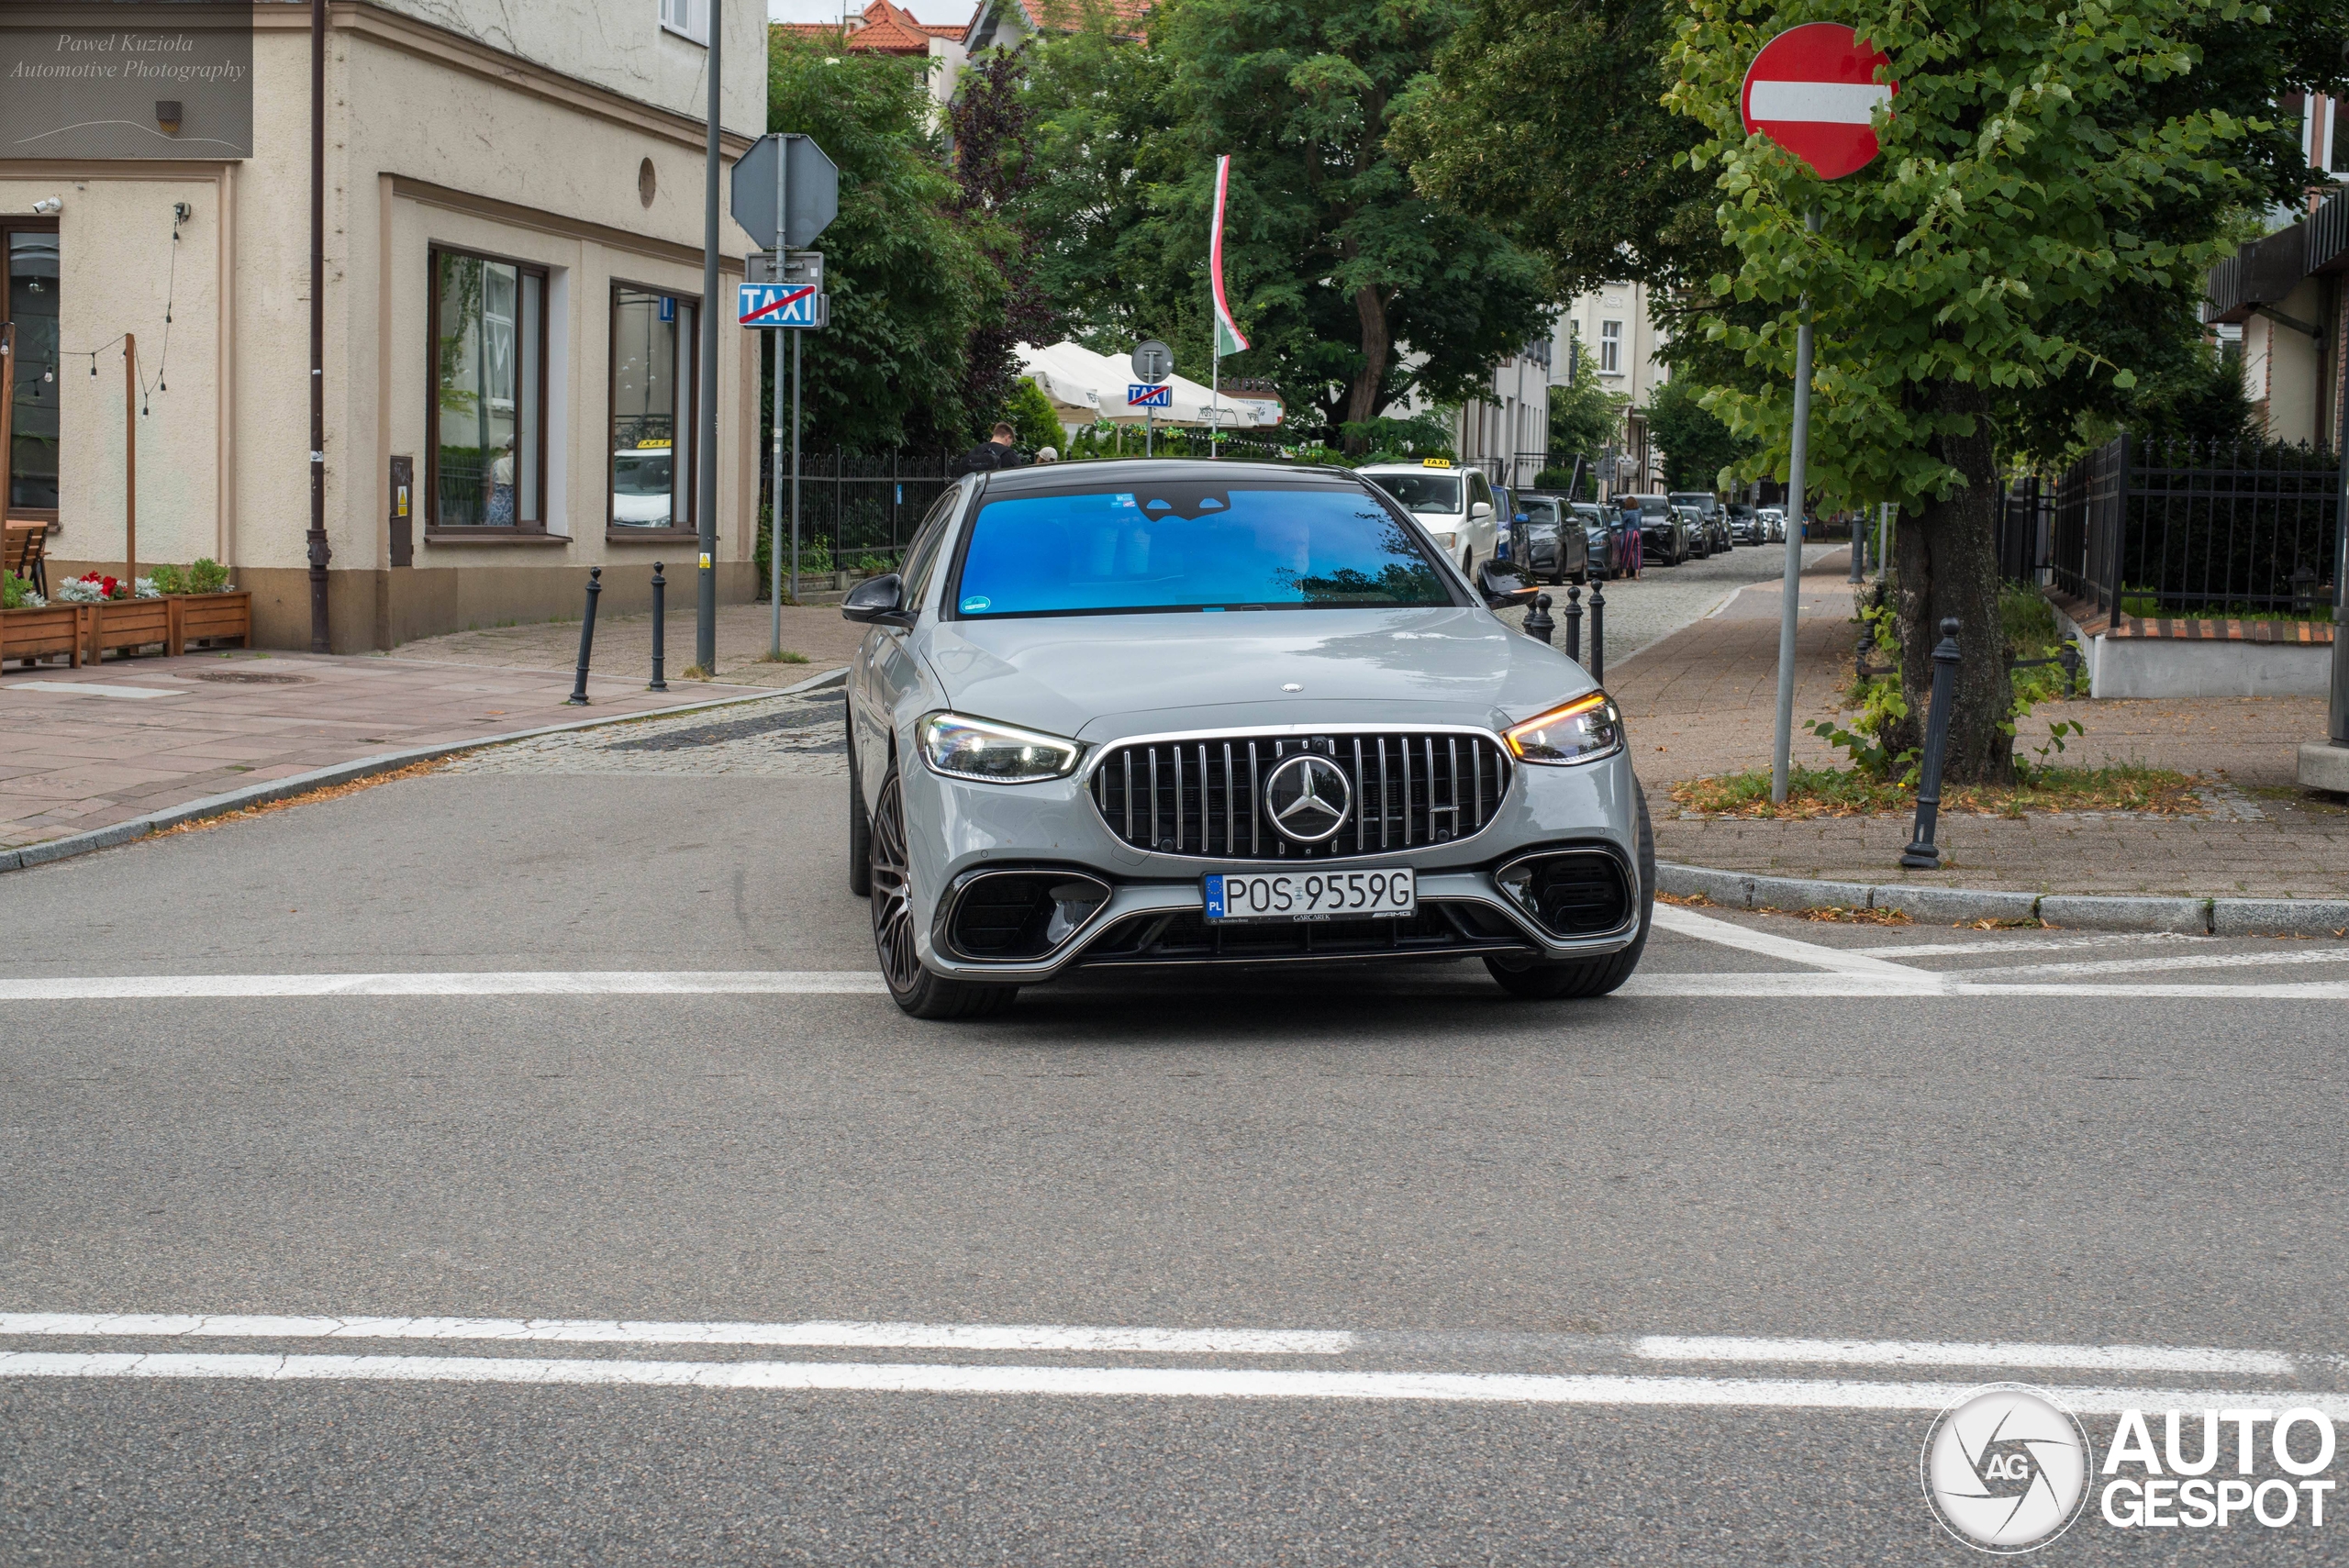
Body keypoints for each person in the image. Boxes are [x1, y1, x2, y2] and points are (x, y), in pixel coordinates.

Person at [951, 422, 1026, 478]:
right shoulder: (1010, 455)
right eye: (1011, 442)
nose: (1010, 445)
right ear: (1008, 437)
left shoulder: (975, 451)